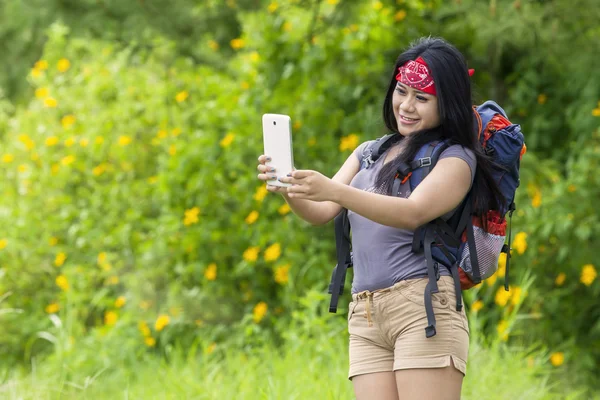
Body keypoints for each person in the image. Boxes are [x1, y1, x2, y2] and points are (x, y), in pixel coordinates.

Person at [256, 37, 503, 400]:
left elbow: (413, 212)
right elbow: (321, 212)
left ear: (446, 103)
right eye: (402, 91)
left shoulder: (456, 159)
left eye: (422, 97)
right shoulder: (370, 152)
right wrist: (291, 186)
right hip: (366, 312)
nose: (406, 105)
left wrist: (334, 190)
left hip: (423, 306)